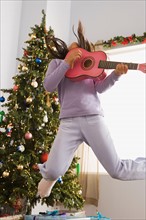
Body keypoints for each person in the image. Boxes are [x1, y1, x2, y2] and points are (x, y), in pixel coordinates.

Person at [37, 21, 146, 198]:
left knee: (117, 170)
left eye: (79, 48)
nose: (76, 48)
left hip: (93, 119)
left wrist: (116, 74)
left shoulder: (92, 64)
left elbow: (100, 88)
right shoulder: (57, 63)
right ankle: (50, 178)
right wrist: (66, 64)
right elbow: (48, 86)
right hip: (69, 122)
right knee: (52, 170)